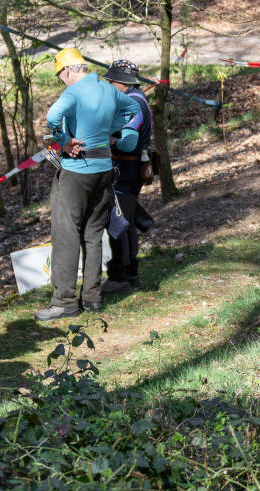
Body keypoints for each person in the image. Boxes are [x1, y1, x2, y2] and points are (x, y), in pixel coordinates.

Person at [34, 48, 140, 321]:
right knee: (93, 235)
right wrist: (107, 128)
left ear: (67, 70)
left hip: (77, 170)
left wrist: (64, 140)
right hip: (104, 169)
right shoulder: (108, 90)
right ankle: (92, 298)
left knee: (66, 233)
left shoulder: (73, 92)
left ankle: (65, 301)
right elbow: (133, 108)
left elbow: (51, 118)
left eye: (61, 77)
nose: (62, 82)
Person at [102, 59, 152, 294]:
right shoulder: (136, 99)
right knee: (127, 221)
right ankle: (131, 273)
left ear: (121, 82)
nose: (109, 86)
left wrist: (109, 140)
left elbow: (128, 142)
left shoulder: (132, 104)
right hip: (131, 171)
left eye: (111, 81)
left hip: (126, 171)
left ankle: (119, 275)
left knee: (117, 223)